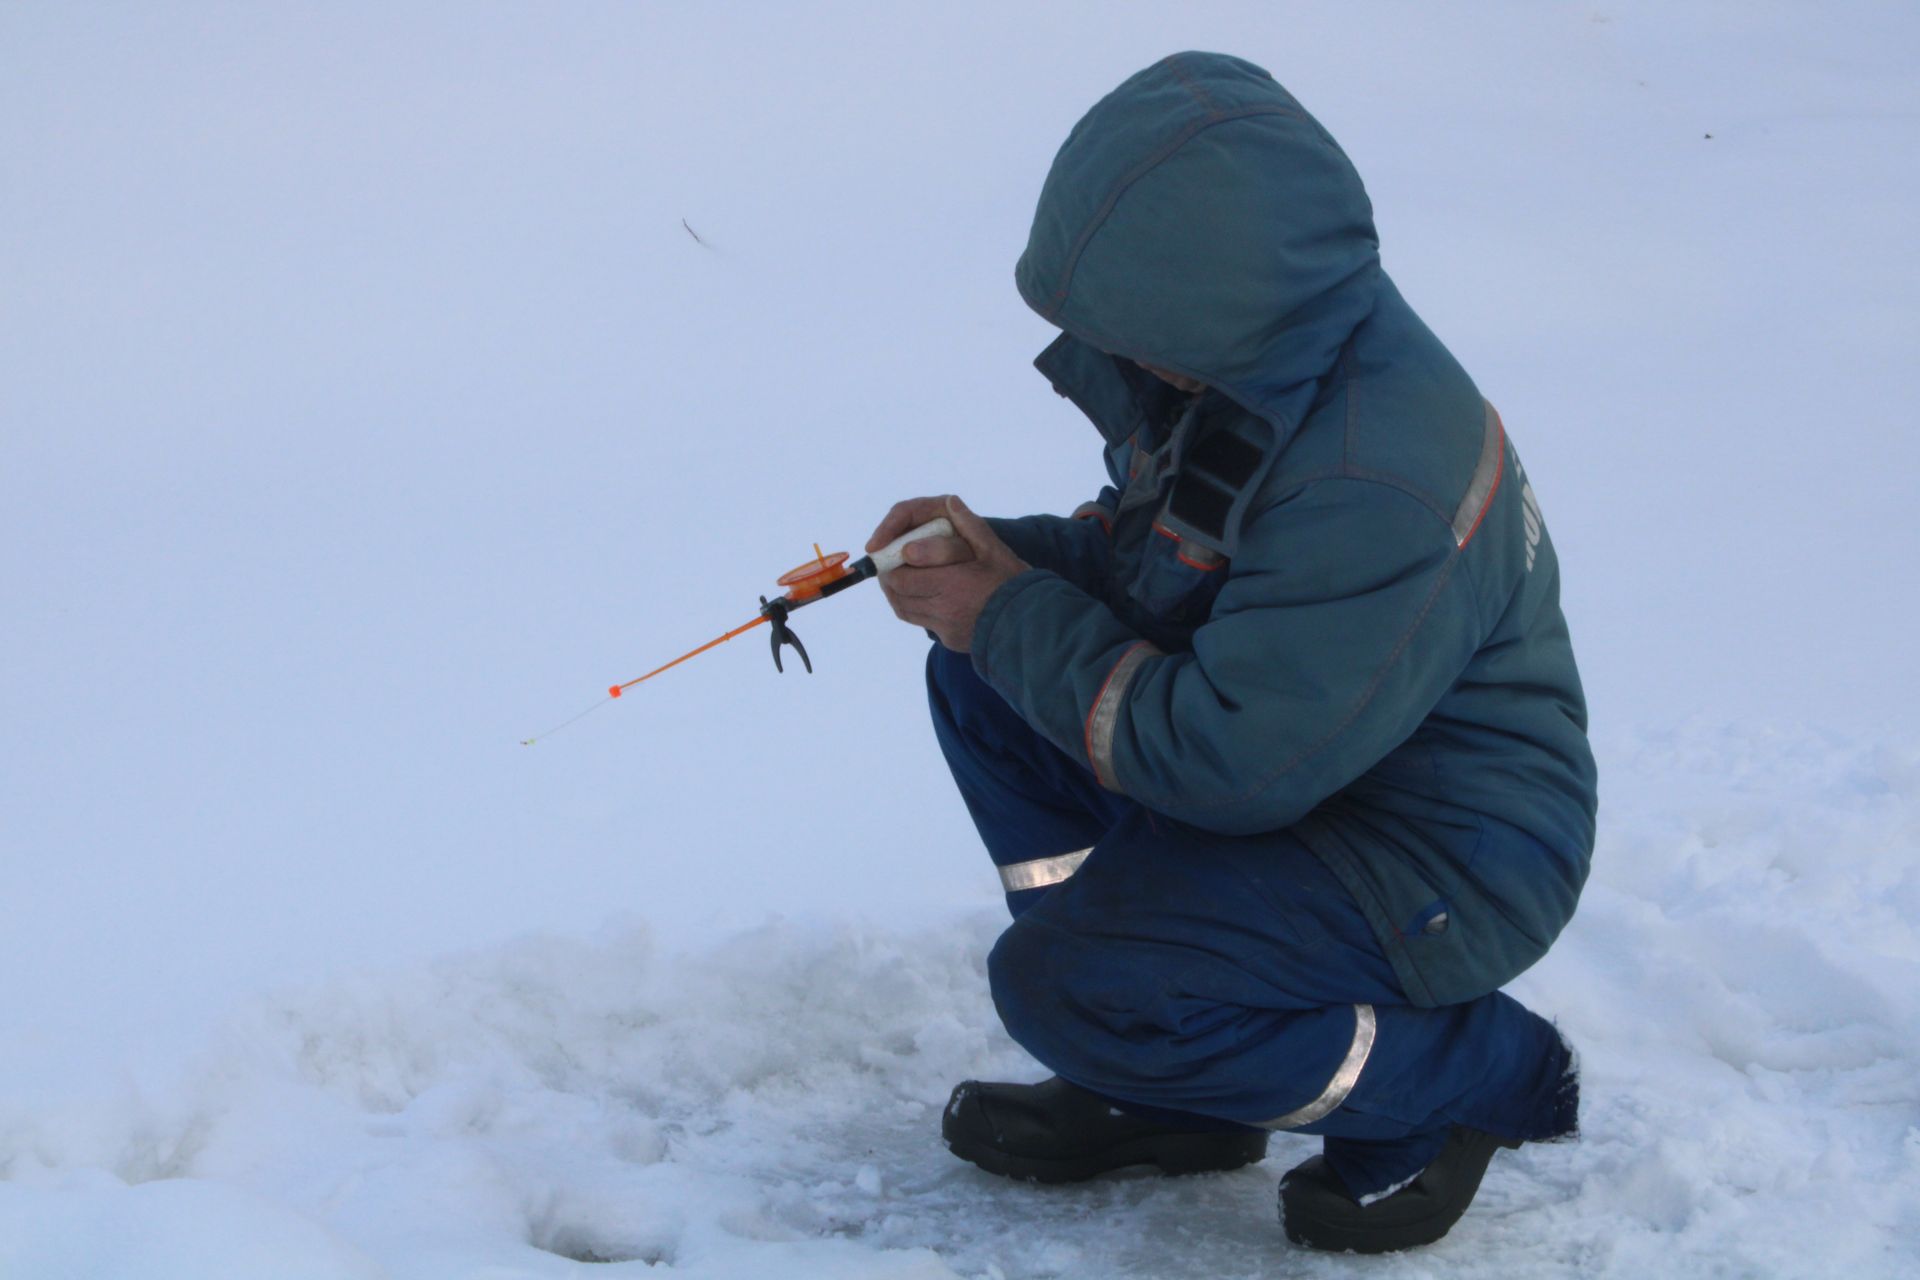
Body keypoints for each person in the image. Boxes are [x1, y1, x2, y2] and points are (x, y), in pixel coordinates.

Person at [865, 52, 1595, 1254]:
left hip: (1441, 853)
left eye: (1130, 327)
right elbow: (1171, 568)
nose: (1118, 351)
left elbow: (1230, 763)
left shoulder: (1372, 474)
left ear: (1210, 296)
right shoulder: (1266, 359)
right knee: (986, 676)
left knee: (1065, 982)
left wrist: (1006, 607)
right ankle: (1171, 1080)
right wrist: (1001, 562)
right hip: (1320, 768)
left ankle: (1457, 1073)